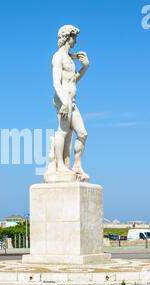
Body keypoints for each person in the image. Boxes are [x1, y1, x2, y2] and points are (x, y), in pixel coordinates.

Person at [51, 25, 90, 180]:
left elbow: (73, 81)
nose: (76, 40)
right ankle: (60, 165)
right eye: (75, 37)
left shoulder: (68, 58)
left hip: (72, 102)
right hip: (63, 101)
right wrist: (64, 103)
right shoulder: (57, 57)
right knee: (63, 131)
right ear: (68, 37)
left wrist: (85, 67)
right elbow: (56, 83)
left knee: (82, 134)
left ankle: (77, 166)